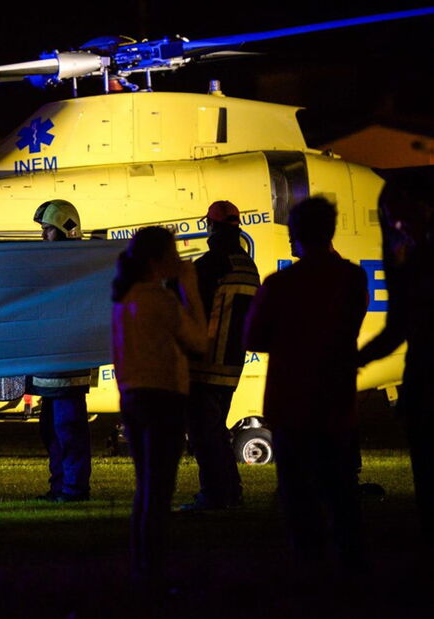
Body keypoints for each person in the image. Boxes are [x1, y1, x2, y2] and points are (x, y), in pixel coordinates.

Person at [244, 197, 367, 569]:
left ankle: (309, 564)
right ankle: (350, 562)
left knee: (298, 494)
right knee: (341, 489)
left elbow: (253, 338)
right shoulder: (352, 278)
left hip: (291, 400)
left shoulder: (280, 284)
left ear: (295, 234)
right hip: (336, 398)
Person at [112, 226, 208, 588]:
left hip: (134, 398)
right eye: (173, 254)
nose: (179, 260)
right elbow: (199, 340)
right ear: (157, 260)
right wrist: (191, 290)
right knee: (159, 489)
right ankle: (151, 571)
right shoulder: (161, 300)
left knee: (146, 486)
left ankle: (143, 567)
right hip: (163, 398)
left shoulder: (125, 298)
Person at [357, 170, 434, 547]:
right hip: (422, 380)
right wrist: (357, 359)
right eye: (388, 217)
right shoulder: (408, 259)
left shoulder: (416, 260)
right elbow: (398, 326)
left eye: (397, 214)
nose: (394, 224)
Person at [180, 201, 260, 512]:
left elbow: (189, 307)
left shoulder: (210, 264)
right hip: (231, 364)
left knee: (204, 435)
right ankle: (229, 492)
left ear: (210, 225)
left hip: (203, 363)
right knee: (215, 432)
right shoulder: (246, 264)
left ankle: (215, 495)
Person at [27, 199, 93, 503]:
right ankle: (59, 487)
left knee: (69, 433)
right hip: (47, 368)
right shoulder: (49, 265)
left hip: (69, 369)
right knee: (52, 434)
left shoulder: (78, 267)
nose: (43, 236)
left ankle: (74, 489)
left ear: (67, 229)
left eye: (48, 230)